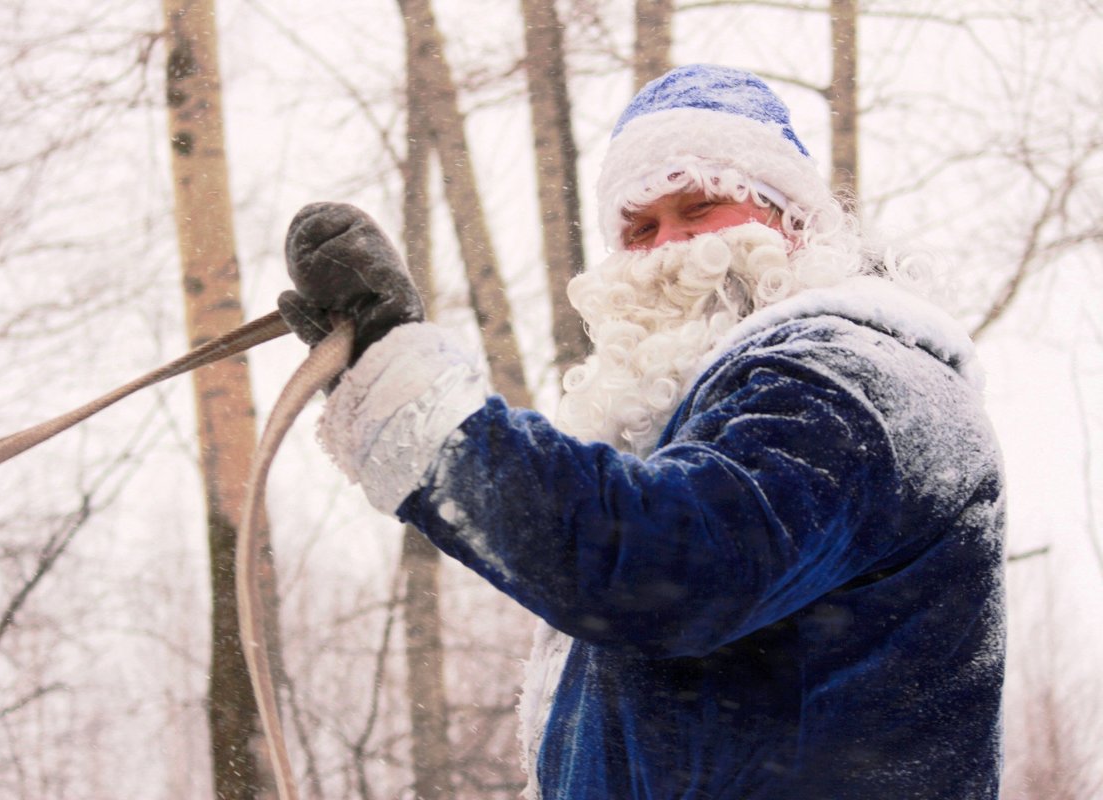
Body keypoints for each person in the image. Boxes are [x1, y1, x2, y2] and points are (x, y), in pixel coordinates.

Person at [278, 64, 1006, 800]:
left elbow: (663, 567)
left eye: (700, 208)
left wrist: (406, 387)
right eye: (640, 227)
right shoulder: (719, 420)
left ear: (795, 222)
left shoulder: (857, 383)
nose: (669, 250)